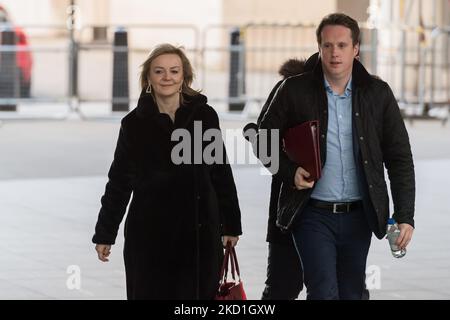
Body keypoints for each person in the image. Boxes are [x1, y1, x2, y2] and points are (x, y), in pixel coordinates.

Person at [257, 13, 415, 299]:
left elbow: (399, 157)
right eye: (328, 45)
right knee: (323, 291)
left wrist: (405, 215)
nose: (334, 53)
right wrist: (288, 171)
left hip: (359, 216)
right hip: (311, 214)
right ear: (319, 47)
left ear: (356, 48)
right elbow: (260, 136)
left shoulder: (378, 94)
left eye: (342, 45)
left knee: (352, 293)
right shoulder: (294, 89)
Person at [92, 43, 242, 300]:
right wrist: (105, 233)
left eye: (174, 71)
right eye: (159, 71)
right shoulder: (133, 124)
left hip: (199, 234)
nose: (167, 78)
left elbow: (220, 172)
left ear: (184, 76)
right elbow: (118, 181)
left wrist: (231, 224)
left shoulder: (204, 116)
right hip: (150, 237)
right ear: (148, 77)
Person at [244, 58, 307, 300]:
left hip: (341, 215)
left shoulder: (360, 91)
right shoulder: (288, 87)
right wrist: (290, 171)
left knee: (343, 288)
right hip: (290, 208)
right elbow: (263, 139)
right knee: (282, 288)